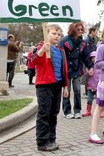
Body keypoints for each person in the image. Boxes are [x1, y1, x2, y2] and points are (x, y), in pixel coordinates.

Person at [31, 24, 69, 152]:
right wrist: (41, 51)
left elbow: (64, 70)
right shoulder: (42, 47)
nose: (57, 36)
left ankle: (51, 139)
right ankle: (42, 142)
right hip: (44, 85)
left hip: (57, 85)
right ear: (47, 34)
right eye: (54, 33)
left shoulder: (61, 50)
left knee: (54, 113)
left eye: (59, 34)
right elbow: (34, 61)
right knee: (44, 113)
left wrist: (65, 87)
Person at [58, 22, 94, 119]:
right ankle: (67, 111)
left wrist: (90, 67)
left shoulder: (83, 43)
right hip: (66, 69)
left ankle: (77, 111)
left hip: (77, 69)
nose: (80, 31)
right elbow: (60, 55)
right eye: (78, 29)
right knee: (67, 91)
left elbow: (86, 57)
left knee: (77, 90)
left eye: (81, 29)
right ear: (73, 29)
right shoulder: (65, 41)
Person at [82, 51, 104, 118]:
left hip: (99, 86)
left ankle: (102, 111)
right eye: (92, 58)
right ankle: (88, 111)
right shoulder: (89, 66)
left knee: (100, 99)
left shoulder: (100, 66)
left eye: (95, 58)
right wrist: (88, 73)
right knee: (89, 99)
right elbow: (85, 74)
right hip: (90, 86)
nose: (93, 59)